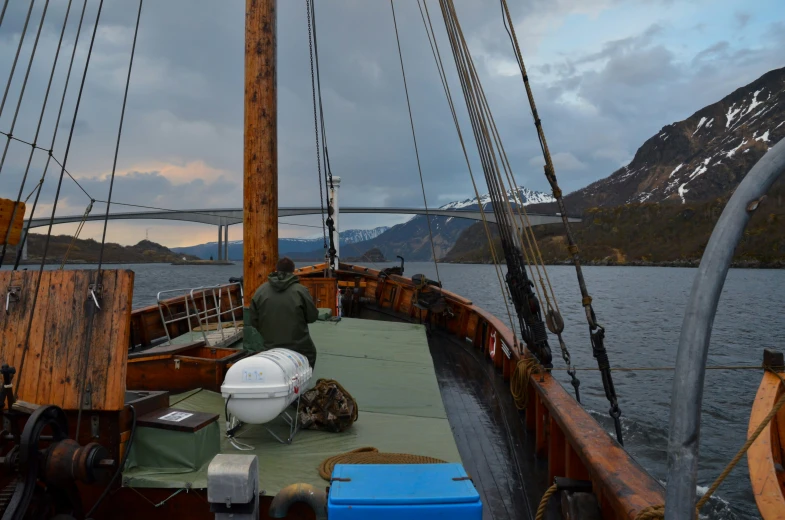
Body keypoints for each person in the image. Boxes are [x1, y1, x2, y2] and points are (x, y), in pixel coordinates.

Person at [248, 257, 319, 367]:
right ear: (293, 271)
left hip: (269, 345)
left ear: (276, 270)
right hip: (298, 345)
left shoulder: (260, 291)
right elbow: (312, 317)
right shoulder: (301, 290)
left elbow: (253, 320)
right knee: (311, 354)